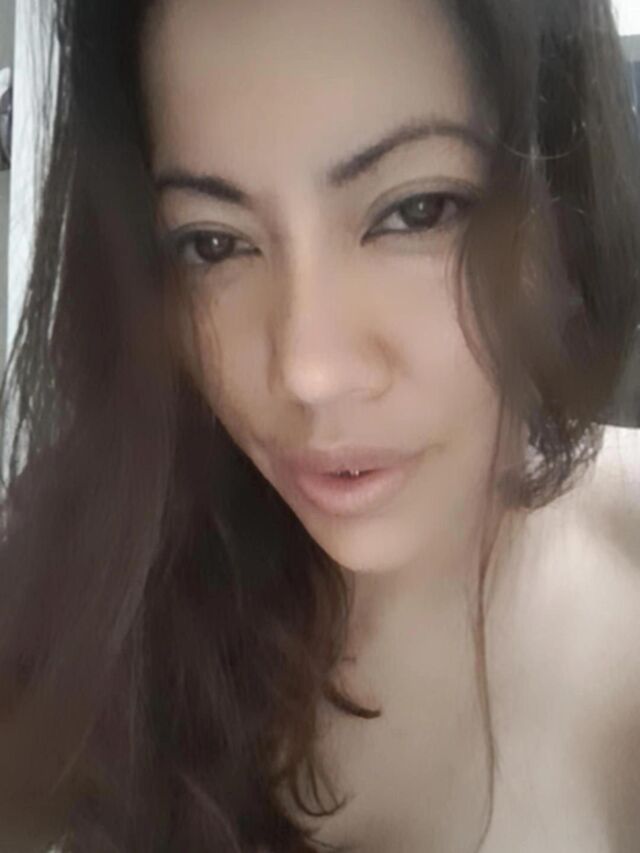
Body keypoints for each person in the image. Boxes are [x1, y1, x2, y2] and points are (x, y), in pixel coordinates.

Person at [0, 0, 639, 850]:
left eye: (416, 211)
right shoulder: (87, 575)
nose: (306, 370)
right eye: (213, 244)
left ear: (561, 205)